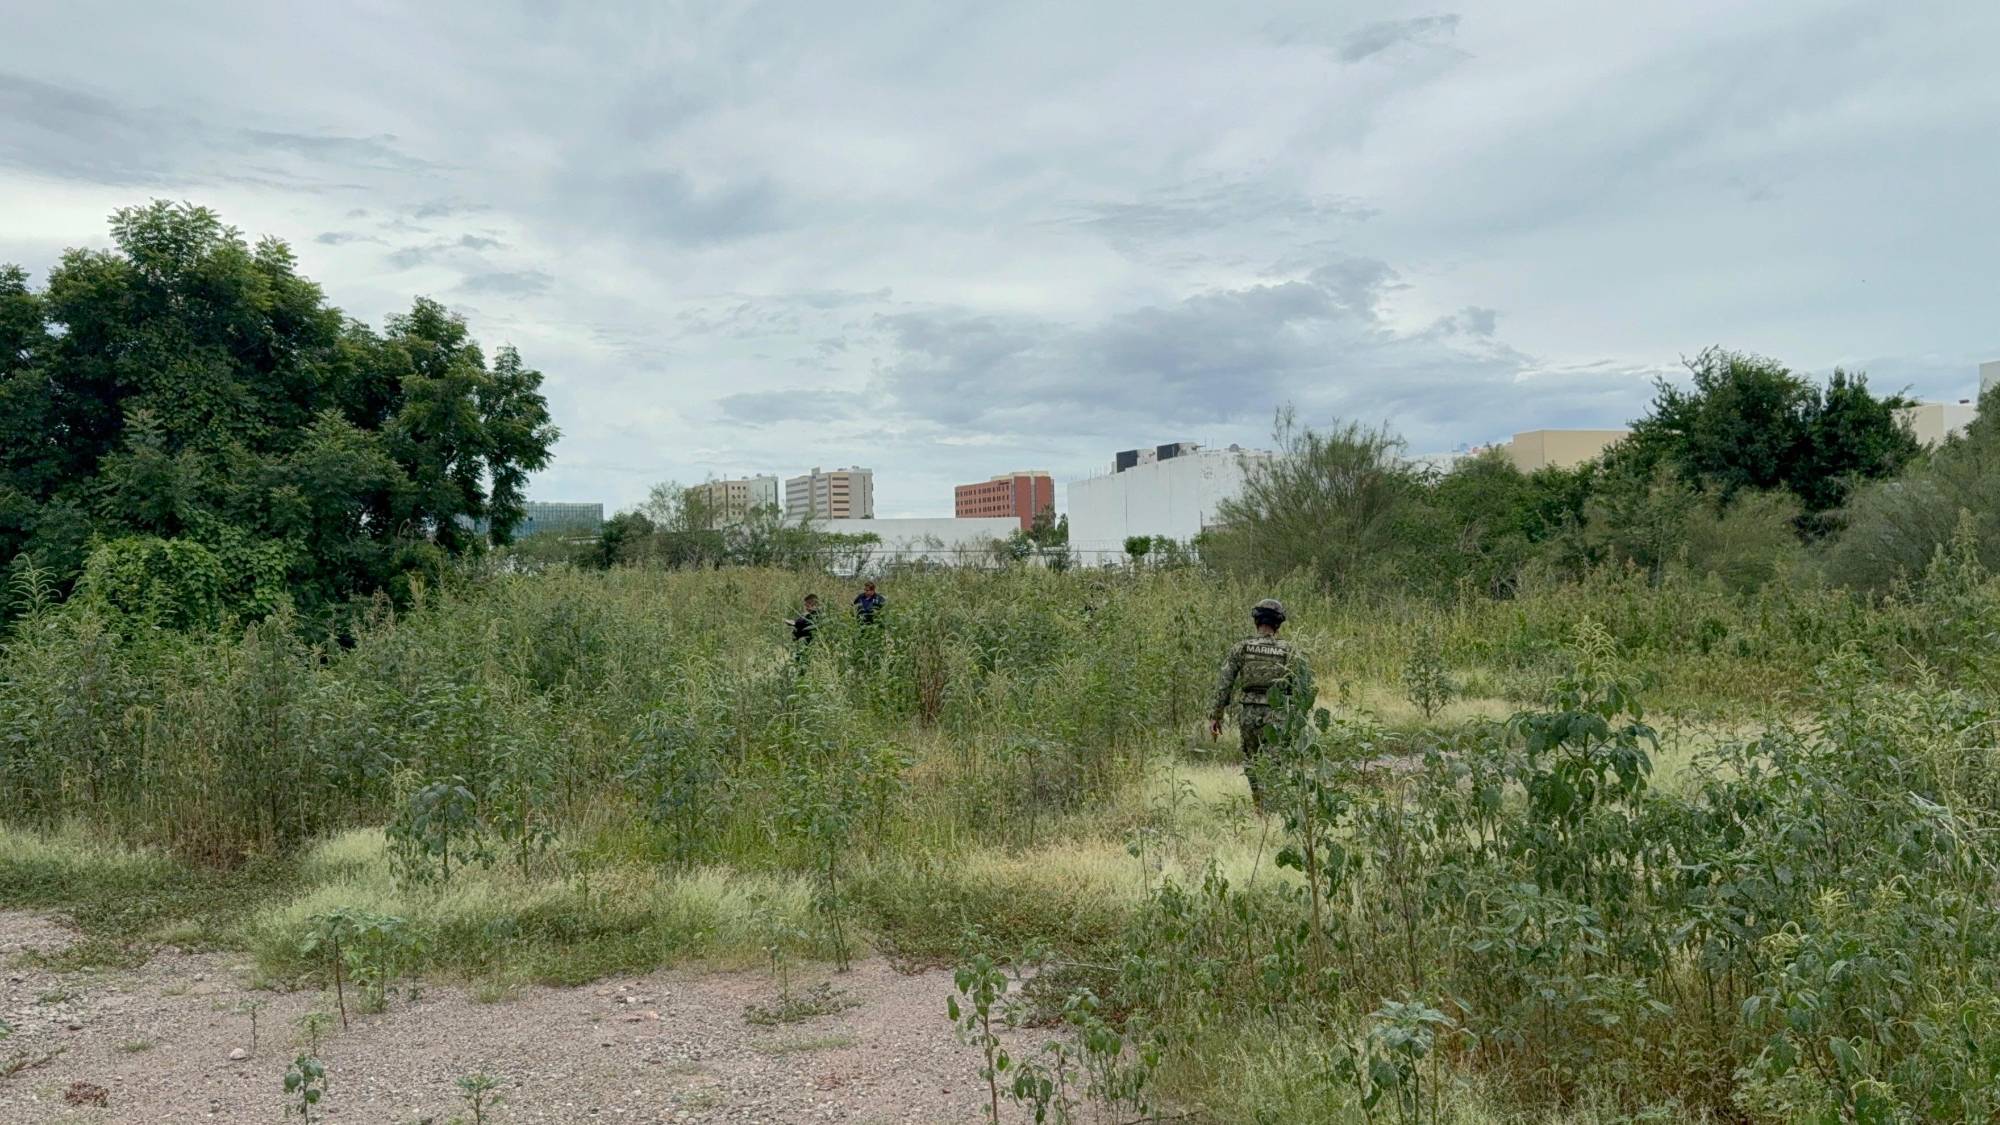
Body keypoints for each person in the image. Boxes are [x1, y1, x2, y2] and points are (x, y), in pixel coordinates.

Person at [1208, 598, 1296, 811]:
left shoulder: (1242, 648)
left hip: (1249, 714)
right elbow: (1300, 687)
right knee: (1276, 763)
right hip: (1278, 714)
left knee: (1252, 761)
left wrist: (1216, 716)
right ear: (1279, 623)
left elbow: (1224, 683)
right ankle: (1273, 809)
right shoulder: (1289, 651)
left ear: (1256, 620)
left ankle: (1259, 807)